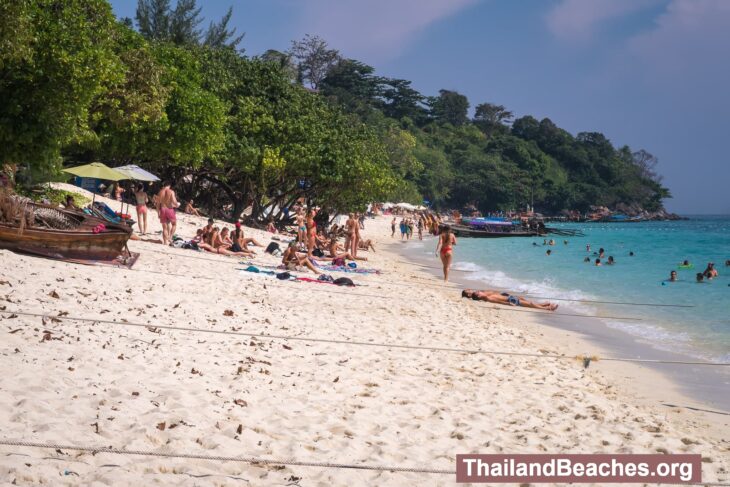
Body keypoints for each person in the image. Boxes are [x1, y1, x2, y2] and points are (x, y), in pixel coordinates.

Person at [461, 289, 558, 311]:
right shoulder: (488, 298)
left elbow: (498, 296)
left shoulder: (485, 296)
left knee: (528, 301)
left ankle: (543, 304)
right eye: (478, 293)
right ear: (479, 296)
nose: (479, 291)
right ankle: (547, 308)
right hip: (511, 300)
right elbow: (499, 301)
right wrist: (509, 304)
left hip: (510, 298)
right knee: (530, 304)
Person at [156, 181, 179, 246]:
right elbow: (174, 201)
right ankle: (170, 236)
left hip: (162, 209)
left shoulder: (160, 192)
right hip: (169, 209)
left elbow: (157, 204)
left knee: (164, 228)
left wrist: (158, 213)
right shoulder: (171, 191)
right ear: (169, 185)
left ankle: (165, 242)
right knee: (174, 224)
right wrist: (177, 205)